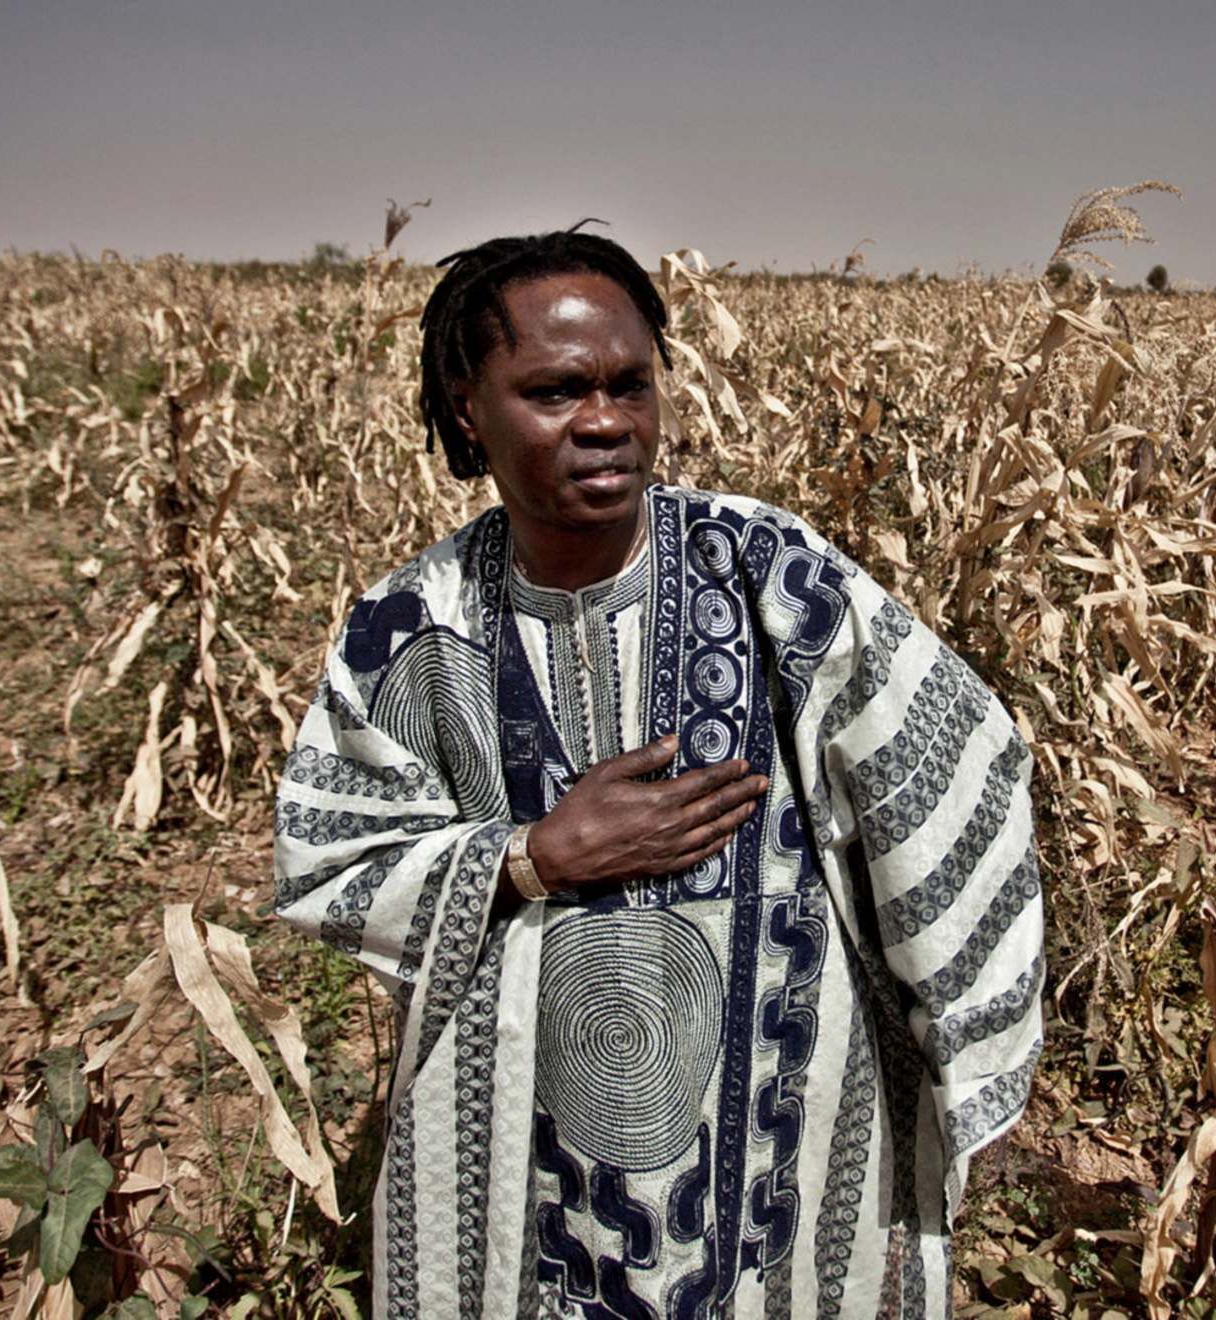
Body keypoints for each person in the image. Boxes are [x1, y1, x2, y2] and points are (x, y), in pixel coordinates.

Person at [273, 228, 1042, 1318]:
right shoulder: (410, 629)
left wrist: (961, 1037)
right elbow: (327, 859)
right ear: (464, 407)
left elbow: (954, 765)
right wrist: (536, 856)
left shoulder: (771, 572)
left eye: (630, 385)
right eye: (554, 390)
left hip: (782, 1139)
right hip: (515, 1141)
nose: (605, 422)